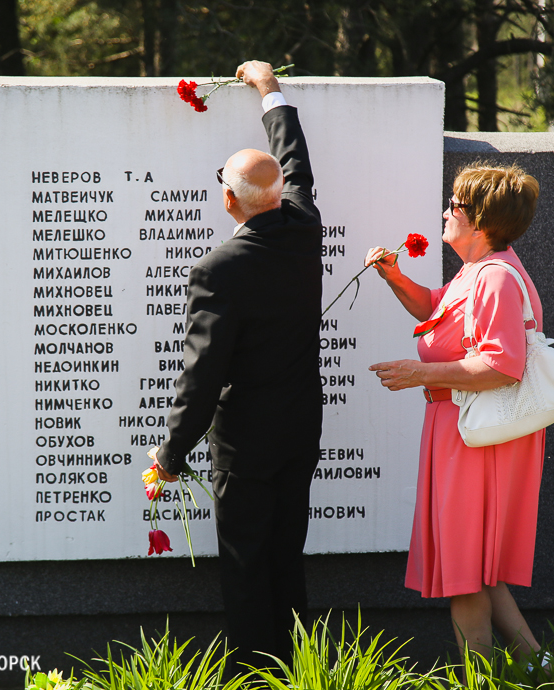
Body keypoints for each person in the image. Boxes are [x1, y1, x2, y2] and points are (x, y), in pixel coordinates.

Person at [151, 60, 323, 669]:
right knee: (286, 555)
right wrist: (269, 88)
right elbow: (294, 159)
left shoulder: (219, 269)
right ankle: (299, 672)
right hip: (301, 429)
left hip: (247, 443)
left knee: (248, 564)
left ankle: (254, 676)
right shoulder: (305, 227)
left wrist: (171, 455)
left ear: (229, 199)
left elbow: (202, 372)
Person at [366, 163, 546, 662]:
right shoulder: (478, 271)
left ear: (482, 221)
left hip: (476, 437)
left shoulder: (493, 280)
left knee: (465, 575)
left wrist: (419, 374)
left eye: (456, 206)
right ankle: (539, 668)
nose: (446, 212)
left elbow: (501, 365)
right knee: (479, 570)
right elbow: (434, 309)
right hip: (467, 431)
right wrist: (393, 275)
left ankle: (485, 677)